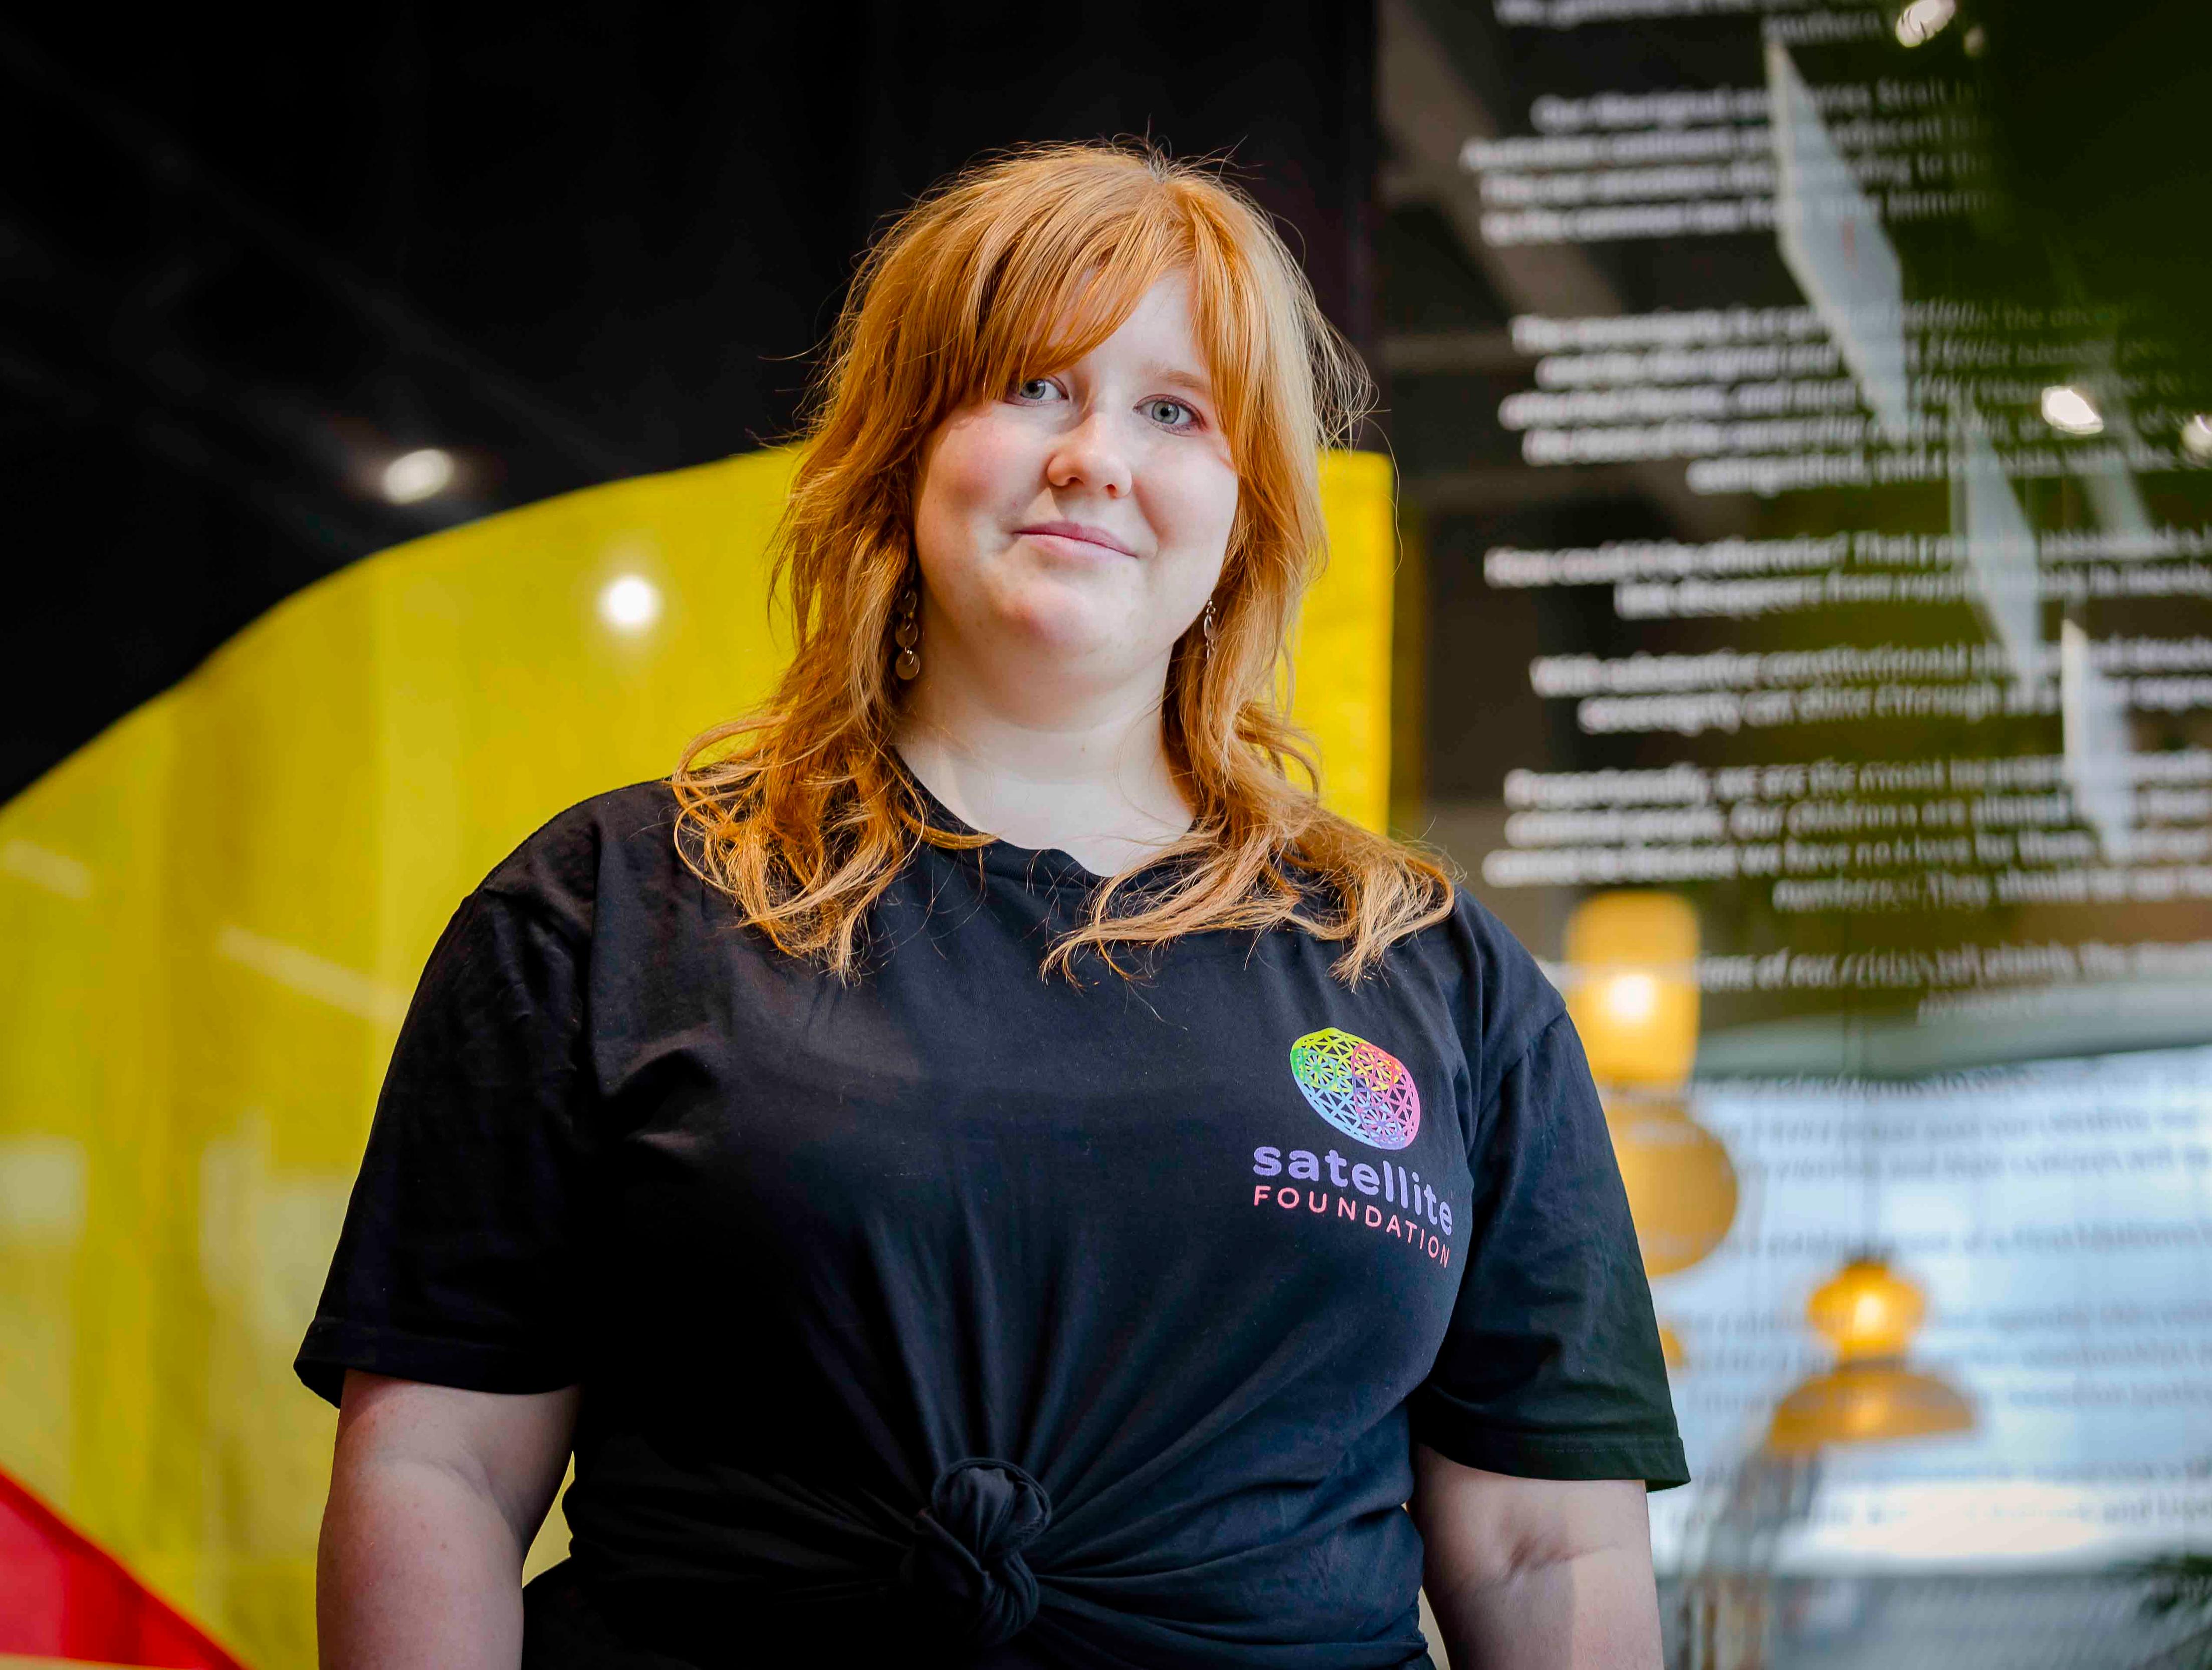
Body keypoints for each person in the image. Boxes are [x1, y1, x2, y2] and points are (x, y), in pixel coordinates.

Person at [297, 141, 1685, 1670]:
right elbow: (441, 1472)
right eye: (1032, 387)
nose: (1094, 456)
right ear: (905, 447)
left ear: (1248, 512)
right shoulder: (611, 908)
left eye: (1175, 411)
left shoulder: (1435, 976)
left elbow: (1550, 1545)